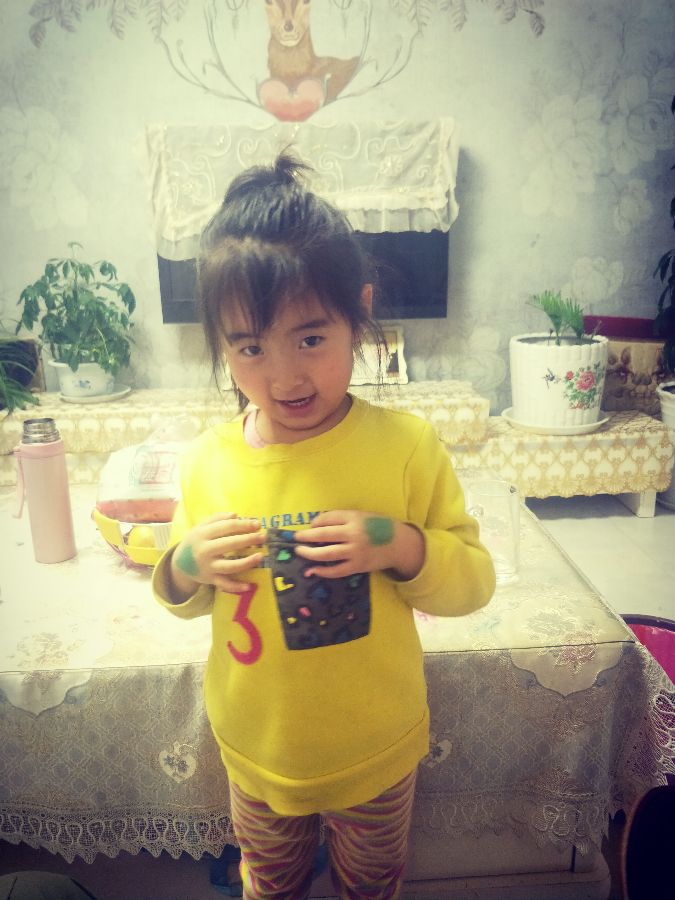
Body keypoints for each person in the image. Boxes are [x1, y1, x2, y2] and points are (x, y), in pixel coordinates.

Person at [152, 153, 496, 899]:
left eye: (311, 338)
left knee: (370, 885)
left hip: (376, 748)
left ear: (358, 315)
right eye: (249, 348)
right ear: (220, 343)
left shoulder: (405, 446)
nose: (285, 378)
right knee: (269, 884)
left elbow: (473, 581)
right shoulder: (207, 461)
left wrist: (398, 544)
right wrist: (184, 564)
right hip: (258, 749)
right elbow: (181, 591)